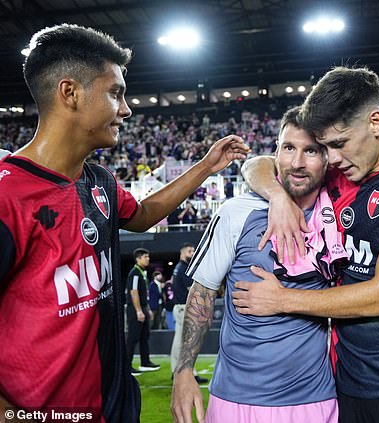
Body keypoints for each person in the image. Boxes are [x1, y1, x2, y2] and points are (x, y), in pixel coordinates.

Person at [0, 24, 248, 420]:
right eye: (115, 93)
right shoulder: (7, 197)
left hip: (116, 406)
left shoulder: (99, 181)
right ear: (70, 93)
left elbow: (145, 214)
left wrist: (207, 166)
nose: (127, 109)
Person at [236, 67, 379, 423]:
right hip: (346, 382)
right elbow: (257, 164)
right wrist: (277, 196)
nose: (333, 158)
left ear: (376, 122)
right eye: (324, 147)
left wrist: (281, 300)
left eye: (339, 144)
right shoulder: (339, 176)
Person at [171, 107, 343, 423]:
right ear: (275, 151)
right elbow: (202, 292)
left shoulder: (340, 215)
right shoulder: (236, 212)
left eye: (311, 151)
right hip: (234, 400)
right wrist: (184, 371)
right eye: (289, 148)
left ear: (327, 158)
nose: (297, 162)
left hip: (314, 400)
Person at [170, 243, 208, 385]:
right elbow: (192, 290)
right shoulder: (184, 268)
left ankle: (178, 371)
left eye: (193, 250)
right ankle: (185, 373)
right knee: (185, 342)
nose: (192, 253)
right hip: (183, 308)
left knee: (180, 342)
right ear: (182, 252)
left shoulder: (179, 268)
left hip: (180, 307)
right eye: (190, 251)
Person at [126, 248, 160, 376]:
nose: (148, 259)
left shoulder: (142, 273)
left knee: (144, 336)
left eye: (148, 256)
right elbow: (133, 292)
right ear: (138, 259)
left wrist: (147, 310)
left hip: (143, 308)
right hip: (135, 310)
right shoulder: (135, 273)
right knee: (132, 338)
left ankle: (145, 362)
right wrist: (139, 311)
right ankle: (127, 366)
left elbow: (142, 294)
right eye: (145, 257)